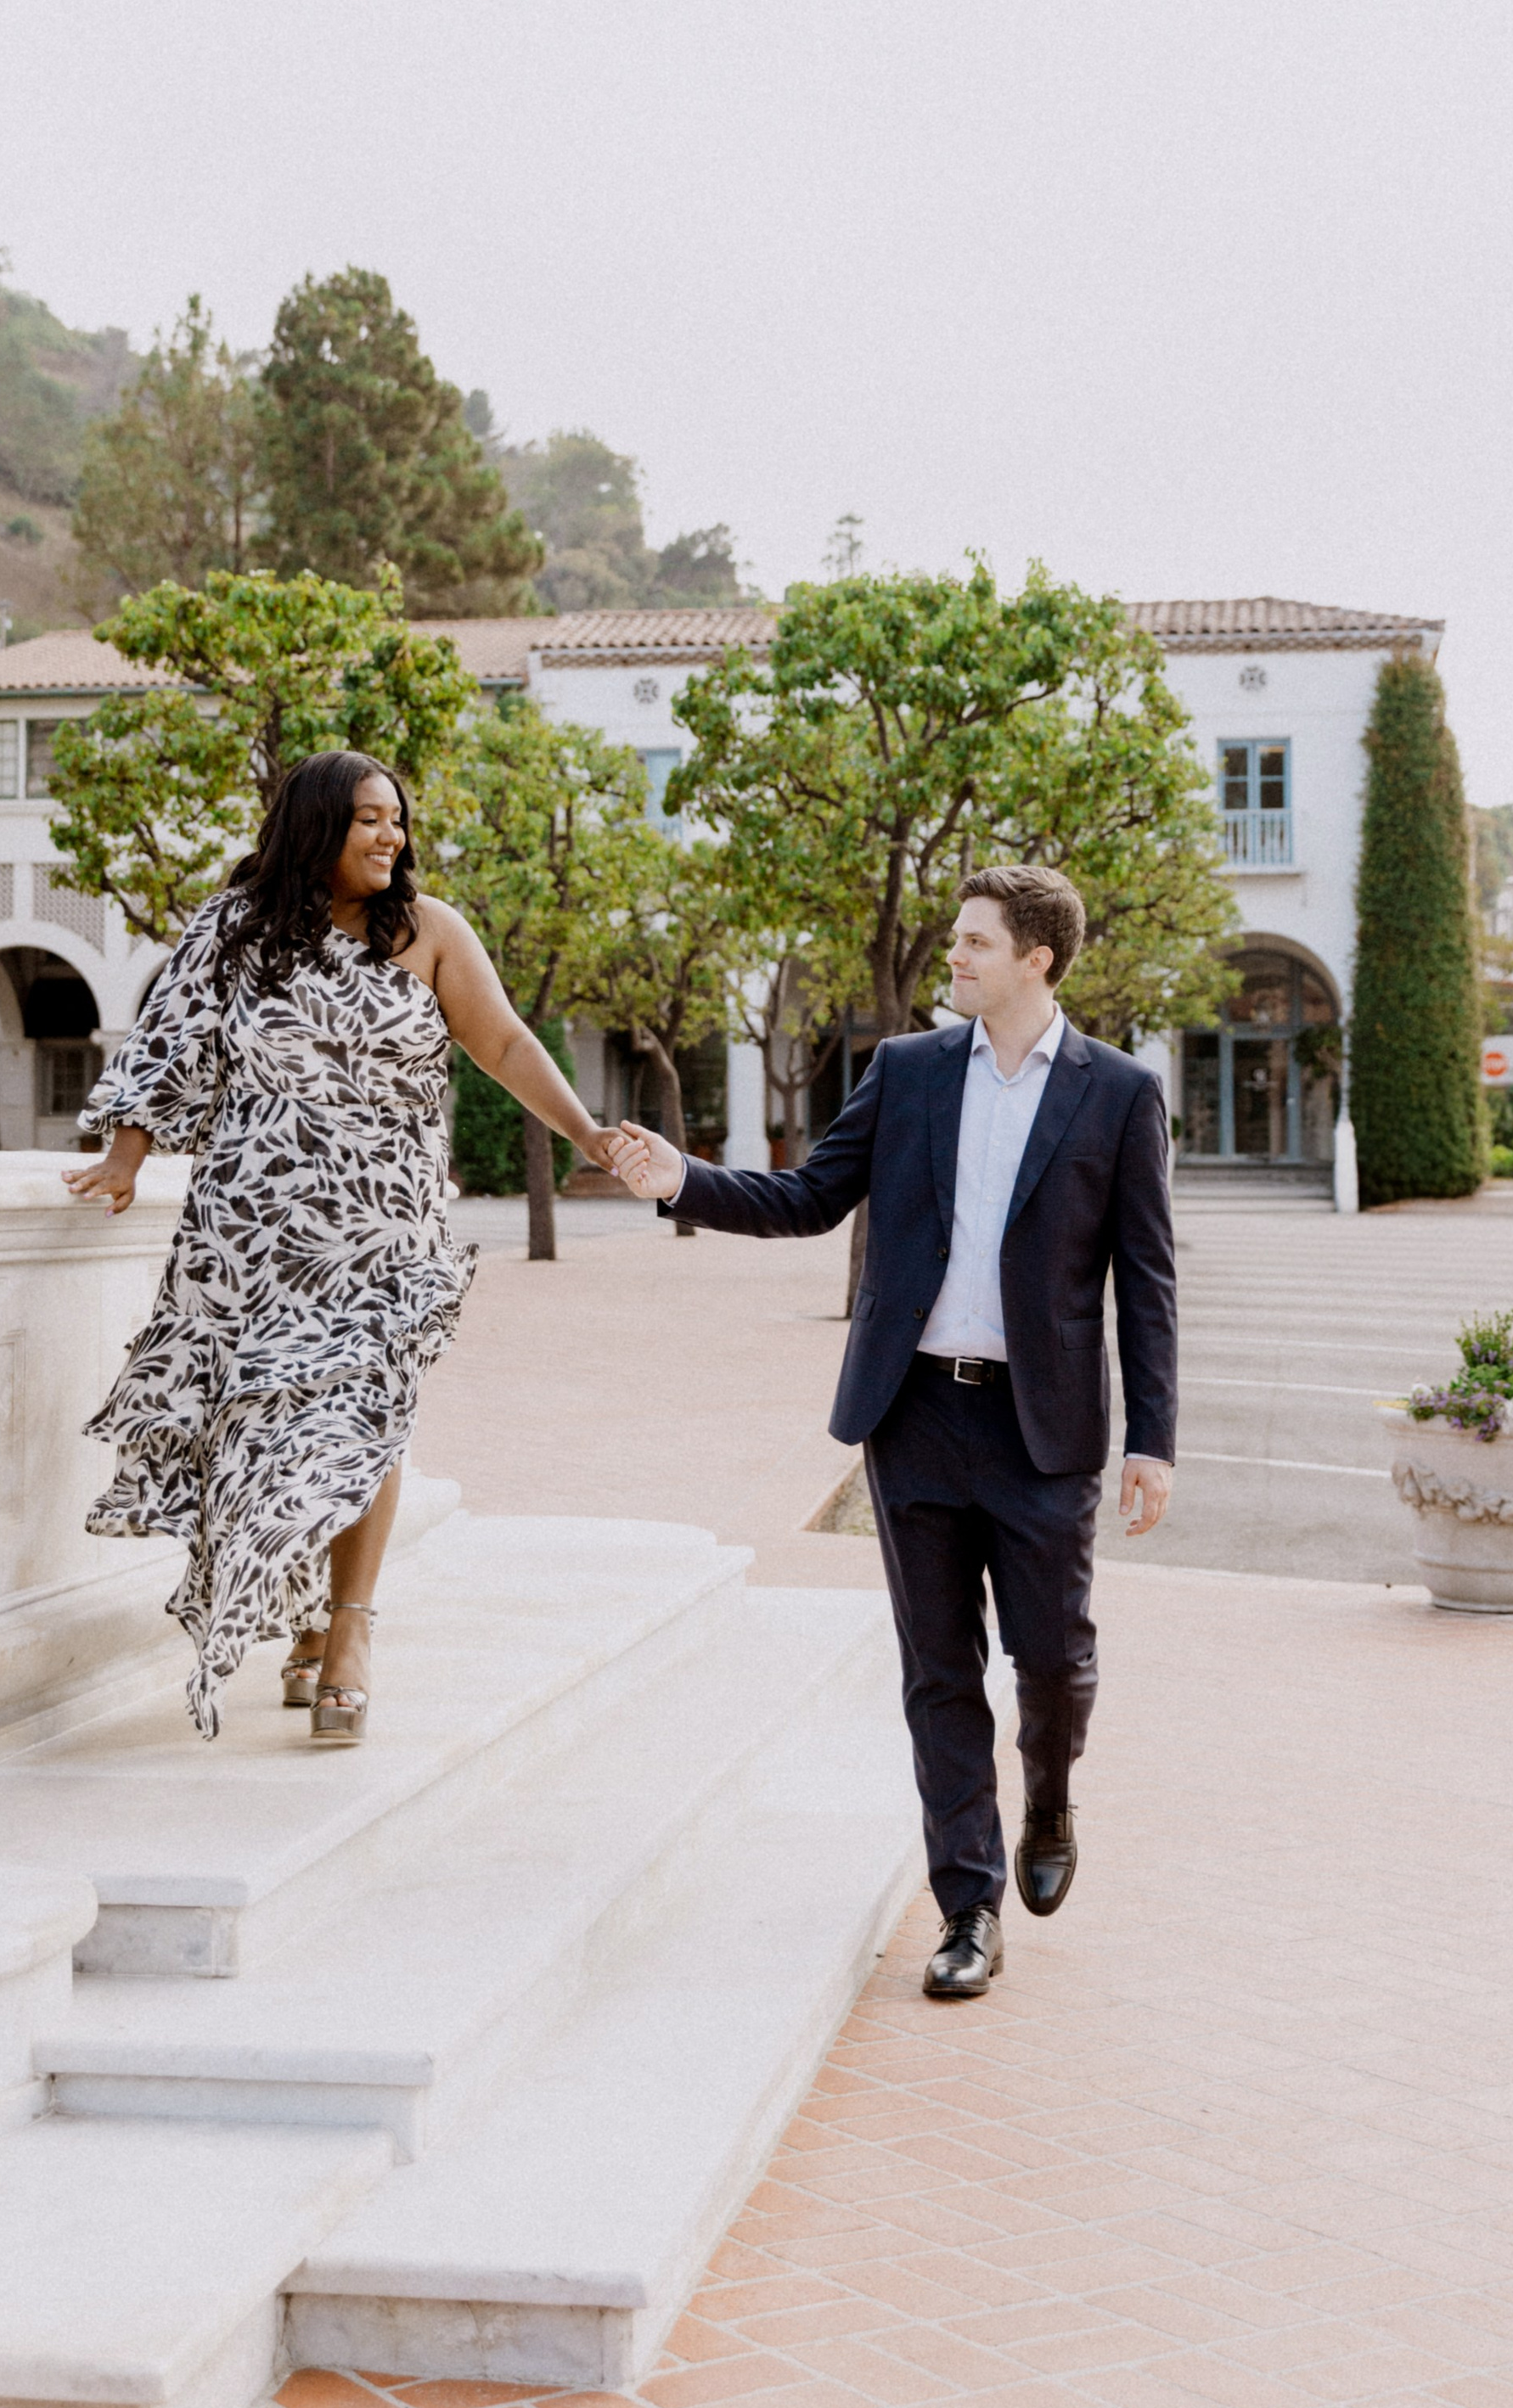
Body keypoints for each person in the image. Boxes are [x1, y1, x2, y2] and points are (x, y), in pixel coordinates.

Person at [610, 864, 1176, 2001]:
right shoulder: (907, 1071)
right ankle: (969, 1905)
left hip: (1042, 1426)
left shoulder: (1118, 1092)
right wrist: (683, 1182)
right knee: (938, 1669)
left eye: (974, 943)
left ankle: (1049, 1796)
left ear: (1036, 960)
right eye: (954, 939)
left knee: (1051, 1660)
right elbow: (811, 1197)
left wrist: (1152, 1439)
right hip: (912, 1413)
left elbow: (1146, 1277)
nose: (952, 957)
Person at [65, 749, 620, 1745]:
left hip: (382, 1228)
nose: (390, 835)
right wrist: (125, 1157)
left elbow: (502, 1043)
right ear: (316, 824)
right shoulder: (233, 929)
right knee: (268, 1434)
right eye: (369, 818)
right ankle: (309, 1621)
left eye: (397, 819)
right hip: (254, 1232)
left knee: (365, 1418)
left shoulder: (429, 930)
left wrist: (587, 1135)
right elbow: (170, 1040)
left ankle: (350, 1631)